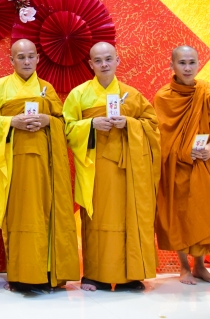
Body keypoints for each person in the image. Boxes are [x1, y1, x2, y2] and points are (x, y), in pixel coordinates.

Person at [0, 39, 78, 292]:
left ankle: (47, 273)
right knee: (20, 216)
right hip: (13, 166)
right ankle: (21, 275)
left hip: (45, 167)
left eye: (30, 56)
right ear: (11, 61)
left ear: (37, 59)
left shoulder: (47, 89)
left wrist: (47, 120)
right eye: (20, 57)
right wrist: (12, 122)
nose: (26, 61)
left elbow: (62, 122)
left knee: (46, 214)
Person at [64, 42, 160, 291]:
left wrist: (128, 123)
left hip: (127, 171)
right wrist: (91, 124)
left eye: (109, 59)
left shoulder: (133, 95)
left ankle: (130, 275)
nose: (104, 64)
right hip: (95, 170)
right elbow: (66, 128)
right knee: (96, 220)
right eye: (98, 60)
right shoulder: (79, 94)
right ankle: (95, 274)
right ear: (90, 64)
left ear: (118, 60)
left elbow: (151, 125)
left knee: (128, 217)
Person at [154, 45, 210, 285]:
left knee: (203, 211)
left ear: (198, 64)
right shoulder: (163, 97)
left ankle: (200, 266)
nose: (187, 68)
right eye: (182, 63)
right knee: (179, 215)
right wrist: (182, 152)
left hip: (204, 163)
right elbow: (160, 136)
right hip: (175, 166)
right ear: (172, 66)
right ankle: (184, 267)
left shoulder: (208, 92)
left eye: (192, 62)